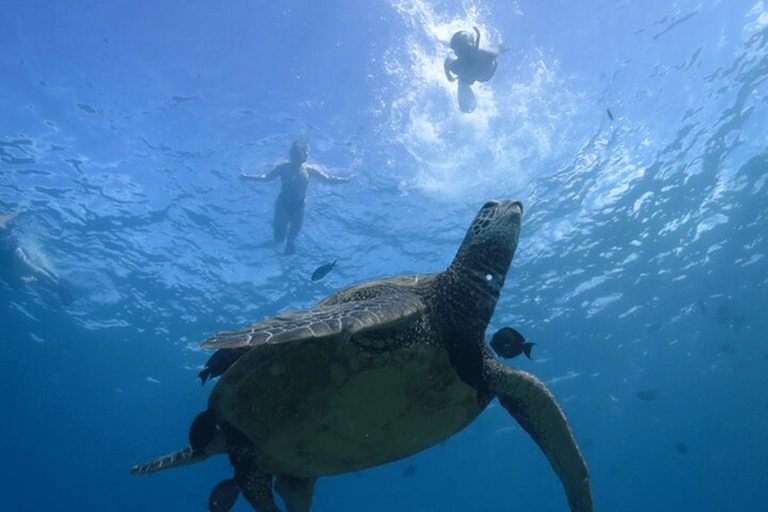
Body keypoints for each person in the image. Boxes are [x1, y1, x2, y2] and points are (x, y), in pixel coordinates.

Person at [240, 141, 353, 255]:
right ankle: (280, 225)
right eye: (294, 154)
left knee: (291, 240)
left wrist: (345, 180)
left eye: (299, 154)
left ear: (304, 156)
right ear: (290, 155)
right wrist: (247, 177)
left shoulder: (309, 169)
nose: (296, 157)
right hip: (282, 204)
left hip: (299, 206)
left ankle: (287, 237)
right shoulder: (283, 167)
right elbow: (266, 177)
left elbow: (327, 178)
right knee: (278, 239)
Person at [444, 27, 508, 113]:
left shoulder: (486, 54)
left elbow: (447, 61)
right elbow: (447, 61)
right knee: (463, 78)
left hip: (482, 72)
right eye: (460, 52)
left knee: (463, 78)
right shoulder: (486, 54)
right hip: (480, 72)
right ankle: (464, 83)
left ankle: (463, 83)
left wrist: (449, 76)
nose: (464, 55)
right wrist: (448, 75)